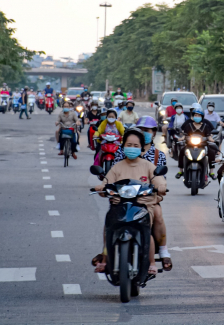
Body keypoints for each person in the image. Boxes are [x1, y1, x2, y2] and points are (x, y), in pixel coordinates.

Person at [92, 128, 171, 275]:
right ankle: (105, 258)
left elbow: (159, 180)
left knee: (146, 230)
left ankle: (152, 263)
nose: (132, 148)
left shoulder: (148, 165)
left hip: (143, 204)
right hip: (119, 205)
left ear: (141, 148)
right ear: (123, 147)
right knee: (108, 226)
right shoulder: (117, 166)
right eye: (129, 145)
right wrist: (101, 187)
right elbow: (106, 182)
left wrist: (160, 186)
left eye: (136, 146)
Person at [176, 108, 216, 180]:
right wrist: (181, 138)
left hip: (203, 146)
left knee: (212, 152)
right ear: (193, 116)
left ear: (202, 117)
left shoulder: (205, 126)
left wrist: (212, 140)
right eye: (195, 115)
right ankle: (180, 171)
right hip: (190, 145)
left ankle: (211, 172)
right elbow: (185, 135)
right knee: (182, 151)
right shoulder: (188, 125)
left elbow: (209, 136)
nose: (197, 117)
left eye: (199, 115)